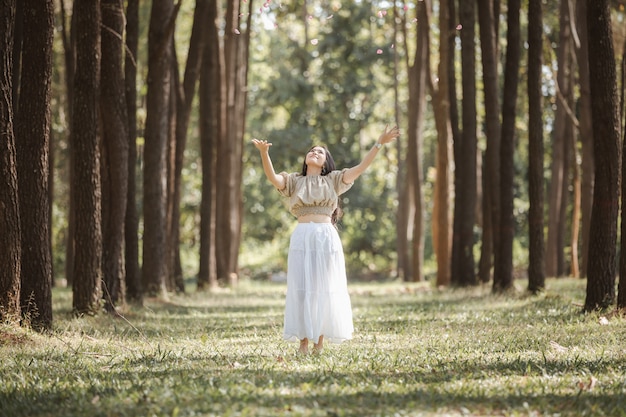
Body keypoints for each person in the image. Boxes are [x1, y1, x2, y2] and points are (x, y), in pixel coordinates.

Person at [251, 125, 400, 354]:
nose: (315, 153)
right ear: (306, 158)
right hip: (302, 236)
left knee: (322, 288)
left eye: (320, 152)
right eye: (312, 150)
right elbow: (273, 178)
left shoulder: (334, 180)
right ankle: (303, 342)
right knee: (301, 288)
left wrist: (379, 143)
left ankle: (319, 343)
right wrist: (264, 153)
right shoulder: (293, 181)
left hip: (325, 237)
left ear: (325, 162)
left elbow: (361, 168)